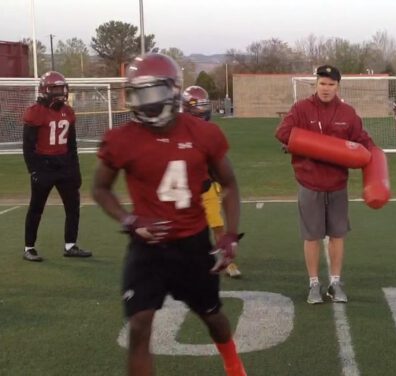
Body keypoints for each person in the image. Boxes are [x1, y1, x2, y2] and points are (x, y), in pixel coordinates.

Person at [92, 53, 246, 375]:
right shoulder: (122, 139)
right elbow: (100, 188)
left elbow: (229, 184)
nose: (145, 104)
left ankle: (233, 365)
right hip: (147, 248)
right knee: (139, 325)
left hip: (192, 245)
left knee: (213, 318)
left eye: (152, 93)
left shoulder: (203, 134)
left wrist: (229, 235)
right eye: (138, 94)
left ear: (173, 91)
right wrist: (129, 220)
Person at [275, 64, 375, 304]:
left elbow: (362, 141)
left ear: (337, 86)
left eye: (331, 84)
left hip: (337, 184)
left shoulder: (347, 113)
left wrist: (376, 156)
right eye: (322, 83)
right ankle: (313, 284)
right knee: (312, 236)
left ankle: (335, 282)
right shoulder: (301, 109)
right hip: (309, 183)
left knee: (337, 235)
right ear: (315, 84)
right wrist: (306, 144)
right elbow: (282, 132)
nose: (326, 89)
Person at [22, 70, 92, 262]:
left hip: (64, 165)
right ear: (45, 90)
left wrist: (75, 169)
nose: (60, 92)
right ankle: (29, 248)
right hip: (44, 165)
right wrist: (34, 169)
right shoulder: (35, 112)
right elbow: (28, 146)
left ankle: (70, 245)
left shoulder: (68, 112)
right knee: (36, 208)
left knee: (73, 207)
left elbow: (72, 145)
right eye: (55, 88)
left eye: (62, 87)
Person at [182, 85, 241, 278]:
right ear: (188, 107)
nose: (202, 110)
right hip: (184, 192)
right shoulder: (176, 131)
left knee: (217, 226)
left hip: (207, 188)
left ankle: (228, 262)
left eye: (204, 105)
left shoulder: (210, 132)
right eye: (198, 106)